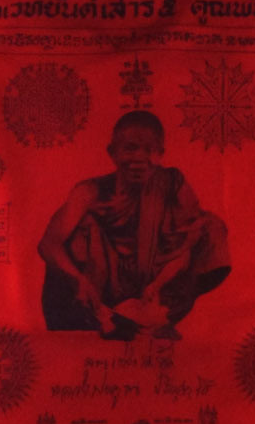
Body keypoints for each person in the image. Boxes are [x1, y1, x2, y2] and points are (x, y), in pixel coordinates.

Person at [38, 111, 230, 339]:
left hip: (151, 284)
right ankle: (98, 319)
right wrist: (78, 280)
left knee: (209, 226)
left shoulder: (171, 185)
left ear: (161, 154)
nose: (139, 158)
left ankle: (157, 318)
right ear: (112, 152)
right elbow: (49, 244)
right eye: (130, 148)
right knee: (82, 231)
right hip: (101, 284)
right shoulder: (89, 192)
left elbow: (185, 248)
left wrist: (157, 286)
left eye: (149, 150)